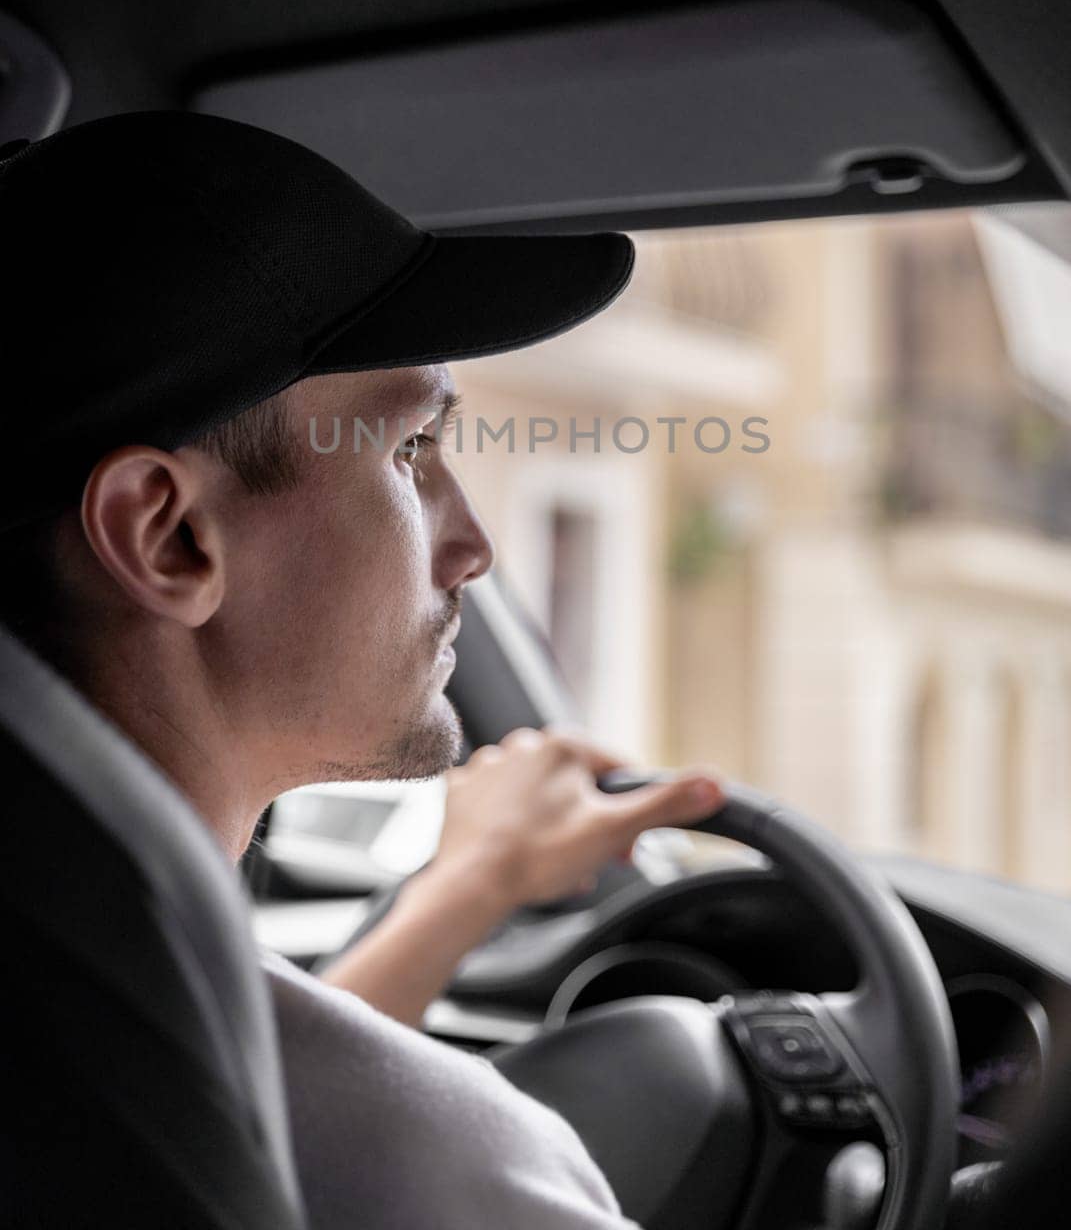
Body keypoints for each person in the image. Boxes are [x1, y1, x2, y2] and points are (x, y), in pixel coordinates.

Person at [0, 111, 724, 1228]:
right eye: (411, 450)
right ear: (167, 535)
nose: (474, 544)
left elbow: (244, 1074)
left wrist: (466, 889)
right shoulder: (458, 1167)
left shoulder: (89, 1035)